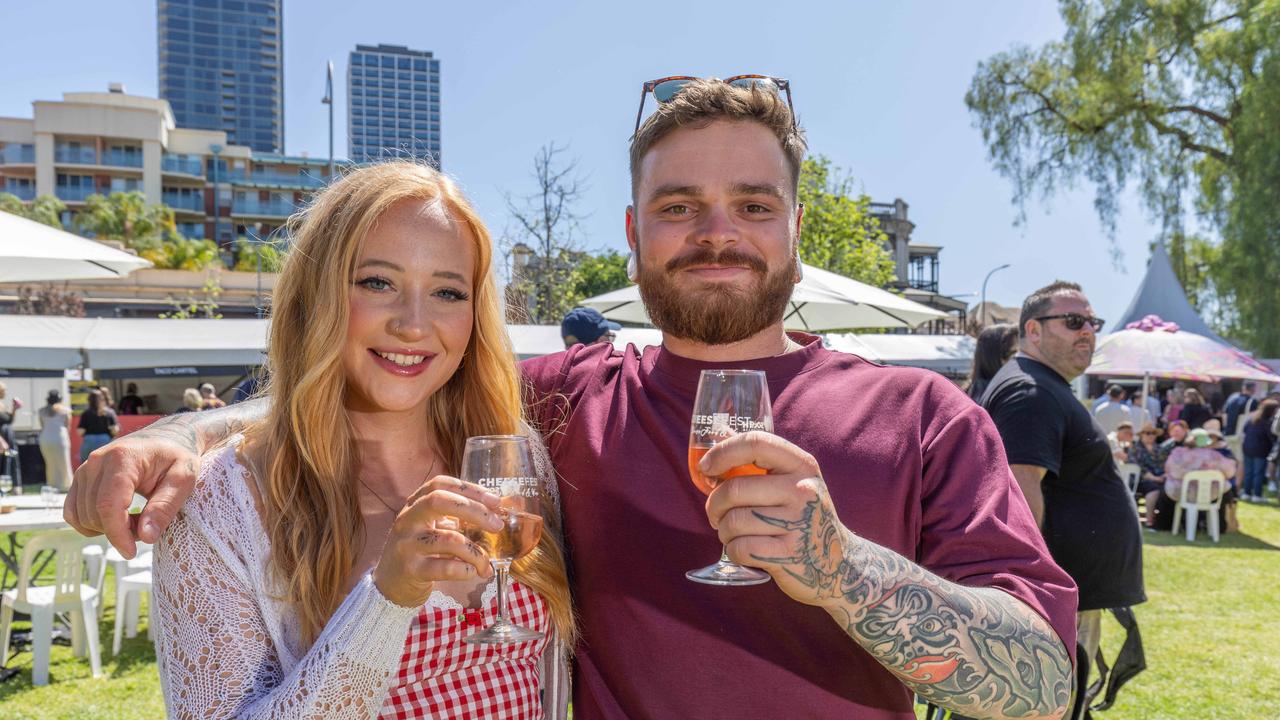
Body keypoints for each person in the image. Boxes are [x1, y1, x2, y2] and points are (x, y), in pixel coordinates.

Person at [66, 79, 1077, 719]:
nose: (714, 231)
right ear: (635, 235)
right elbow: (394, 376)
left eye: (751, 206)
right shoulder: (557, 411)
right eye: (679, 207)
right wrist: (183, 437)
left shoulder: (922, 417)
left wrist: (841, 569)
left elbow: (1039, 687)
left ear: (793, 228)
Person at [164, 163, 573, 717]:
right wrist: (386, 601)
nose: (412, 324)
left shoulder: (511, 454)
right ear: (318, 295)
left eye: (449, 292)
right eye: (377, 282)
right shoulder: (222, 502)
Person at [980, 281, 1146, 696]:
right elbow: (1018, 494)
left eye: (1093, 322)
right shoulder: (1030, 390)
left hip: (1066, 596)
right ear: (1033, 331)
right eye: (1074, 322)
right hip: (1049, 604)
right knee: (1048, 703)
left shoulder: (1041, 384)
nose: (1088, 331)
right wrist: (1030, 589)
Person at [1155, 428, 1237, 530]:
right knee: (1224, 493)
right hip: (1209, 495)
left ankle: (1165, 526)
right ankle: (1218, 527)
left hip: (1182, 493)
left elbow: (1173, 471)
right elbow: (1230, 472)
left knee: (1164, 493)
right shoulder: (1214, 456)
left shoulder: (1178, 453)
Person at [965, 323, 1018, 401]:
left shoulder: (972, 391)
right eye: (1013, 353)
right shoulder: (1002, 395)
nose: (1018, 358)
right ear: (994, 356)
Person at [1127, 423, 1166, 528]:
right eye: (1148, 433)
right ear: (1142, 435)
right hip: (1138, 481)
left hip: (1159, 479)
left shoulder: (1160, 449)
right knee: (1153, 490)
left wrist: (1163, 475)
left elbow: (1165, 465)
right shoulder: (1135, 448)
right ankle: (1149, 521)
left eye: (1153, 433)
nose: (1151, 435)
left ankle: (1163, 523)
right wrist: (1154, 478)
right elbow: (1137, 467)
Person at [1240, 399, 1278, 501]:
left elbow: (1245, 430)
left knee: (1249, 472)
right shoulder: (1268, 422)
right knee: (1258, 473)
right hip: (1260, 450)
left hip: (1247, 448)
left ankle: (1246, 493)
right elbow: (1272, 436)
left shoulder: (1252, 418)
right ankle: (1257, 495)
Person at [38, 390, 73, 491]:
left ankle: (52, 485)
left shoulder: (42, 411)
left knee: (50, 463)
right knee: (64, 462)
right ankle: (66, 485)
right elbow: (67, 426)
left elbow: (42, 425)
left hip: (45, 438)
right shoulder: (65, 410)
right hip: (60, 437)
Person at [77, 389, 119, 464]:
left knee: (85, 465)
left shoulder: (86, 413)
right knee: (105, 464)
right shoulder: (109, 412)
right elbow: (115, 430)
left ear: (89, 400)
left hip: (89, 441)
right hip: (105, 440)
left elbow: (80, 432)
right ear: (102, 399)